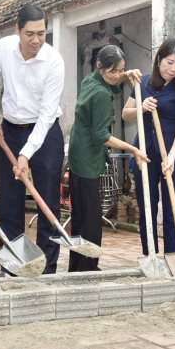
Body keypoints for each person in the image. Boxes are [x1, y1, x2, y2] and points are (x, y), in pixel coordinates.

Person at [0, 5, 65, 275]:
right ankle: (12, 265)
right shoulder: (4, 48)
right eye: (29, 34)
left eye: (42, 33)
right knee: (10, 202)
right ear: (17, 30)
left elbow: (48, 114)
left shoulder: (54, 61)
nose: (36, 40)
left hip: (45, 133)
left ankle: (46, 268)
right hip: (10, 131)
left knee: (47, 201)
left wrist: (25, 155)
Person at [67, 45, 147, 272]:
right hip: (87, 160)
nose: (116, 75)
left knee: (80, 215)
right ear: (100, 66)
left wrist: (123, 76)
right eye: (113, 71)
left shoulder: (89, 81)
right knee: (91, 218)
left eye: (121, 70)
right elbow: (101, 135)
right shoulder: (102, 94)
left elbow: (109, 82)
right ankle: (88, 267)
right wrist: (133, 149)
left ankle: (77, 267)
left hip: (77, 155)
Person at [121, 38, 175, 257]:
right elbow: (126, 115)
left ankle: (172, 254)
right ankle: (149, 254)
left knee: (173, 206)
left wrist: (171, 156)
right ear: (159, 59)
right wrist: (141, 107)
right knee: (147, 206)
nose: (173, 69)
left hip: (174, 155)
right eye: (170, 62)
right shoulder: (142, 83)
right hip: (145, 152)